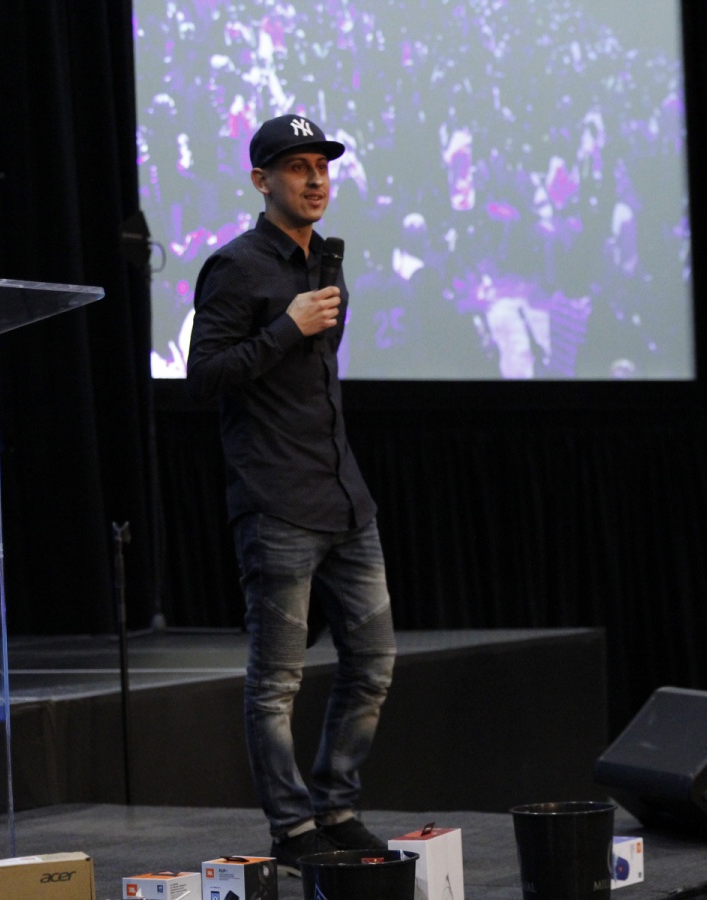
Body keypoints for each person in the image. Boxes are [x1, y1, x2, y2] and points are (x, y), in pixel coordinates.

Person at [184, 114, 396, 876]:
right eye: (298, 166)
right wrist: (286, 327)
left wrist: (303, 320)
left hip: (345, 499)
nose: (315, 180)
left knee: (373, 663)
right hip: (276, 502)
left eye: (322, 166)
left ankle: (336, 806)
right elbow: (203, 375)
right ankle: (294, 826)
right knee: (277, 682)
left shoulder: (325, 261)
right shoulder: (235, 267)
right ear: (261, 180)